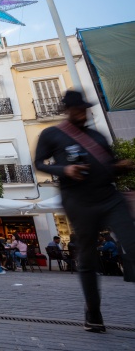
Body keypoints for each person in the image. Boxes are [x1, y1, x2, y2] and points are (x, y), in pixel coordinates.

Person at [35, 90, 135, 333]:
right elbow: (39, 163)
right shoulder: (52, 134)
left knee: (132, 243)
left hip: (109, 196)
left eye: (85, 109)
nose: (83, 113)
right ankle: (93, 312)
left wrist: (121, 166)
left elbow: (108, 166)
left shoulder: (97, 136)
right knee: (88, 259)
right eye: (78, 109)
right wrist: (65, 170)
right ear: (67, 111)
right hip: (79, 201)